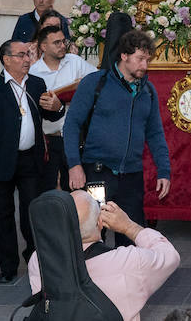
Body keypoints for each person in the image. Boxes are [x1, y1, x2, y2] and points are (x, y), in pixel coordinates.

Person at [0, 39, 65, 283]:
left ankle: (34, 259)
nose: (27, 59)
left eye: (28, 55)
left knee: (32, 212)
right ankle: (7, 266)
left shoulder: (37, 83)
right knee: (1, 215)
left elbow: (50, 113)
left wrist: (58, 106)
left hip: (31, 160)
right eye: (21, 55)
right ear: (6, 59)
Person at [64, 30, 172, 247]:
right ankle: (91, 279)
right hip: (97, 173)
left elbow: (155, 133)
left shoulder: (148, 91)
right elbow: (71, 125)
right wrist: (74, 165)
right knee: (92, 234)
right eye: (140, 59)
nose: (145, 65)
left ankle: (127, 279)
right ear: (124, 56)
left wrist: (164, 170)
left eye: (147, 60)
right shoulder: (95, 83)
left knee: (131, 236)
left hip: (132, 177)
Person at [26, 192, 180, 321]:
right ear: (100, 222)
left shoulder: (38, 260)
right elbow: (169, 256)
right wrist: (129, 227)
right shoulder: (128, 262)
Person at [31, 23, 93, 192]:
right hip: (49, 140)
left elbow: (96, 84)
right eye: (56, 43)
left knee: (78, 189)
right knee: (47, 190)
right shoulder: (34, 73)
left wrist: (69, 96)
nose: (62, 46)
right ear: (43, 46)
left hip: (75, 138)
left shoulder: (75, 62)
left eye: (63, 41)